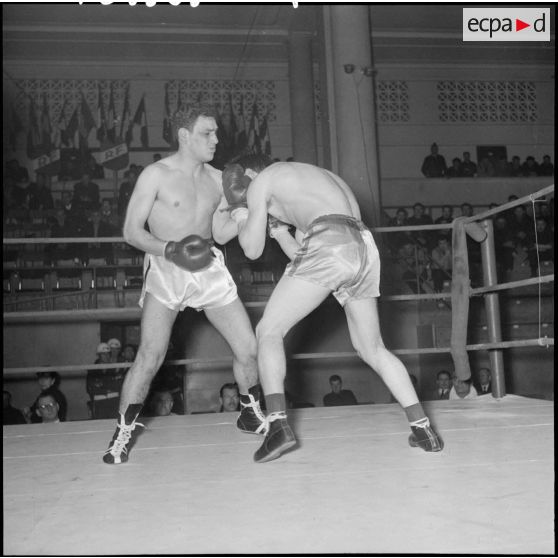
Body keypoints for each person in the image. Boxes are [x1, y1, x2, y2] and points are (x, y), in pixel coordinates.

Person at [228, 156, 443, 463]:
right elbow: (306, 258)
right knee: (372, 348)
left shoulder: (263, 179)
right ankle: (424, 430)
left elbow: (251, 249)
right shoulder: (319, 179)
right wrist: (279, 232)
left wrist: (240, 213)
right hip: (362, 246)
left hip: (330, 241)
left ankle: (277, 426)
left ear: (251, 173)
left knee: (268, 331)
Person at [101, 103, 266, 465]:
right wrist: (170, 249)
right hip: (166, 267)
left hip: (207, 266)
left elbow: (220, 233)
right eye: (208, 133)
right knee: (150, 355)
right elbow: (131, 231)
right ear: (184, 136)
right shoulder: (155, 175)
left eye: (217, 132)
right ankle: (122, 434)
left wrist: (244, 209)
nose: (216, 139)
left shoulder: (219, 178)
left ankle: (250, 411)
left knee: (249, 348)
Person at [87, 342, 123, 420]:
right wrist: (110, 386)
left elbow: (119, 386)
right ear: (99, 355)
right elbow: (90, 389)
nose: (106, 356)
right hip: (99, 403)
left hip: (114, 402)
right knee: (100, 426)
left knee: (114, 424)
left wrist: (102, 385)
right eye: (103, 354)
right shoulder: (92, 370)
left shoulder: (116, 368)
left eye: (108, 354)